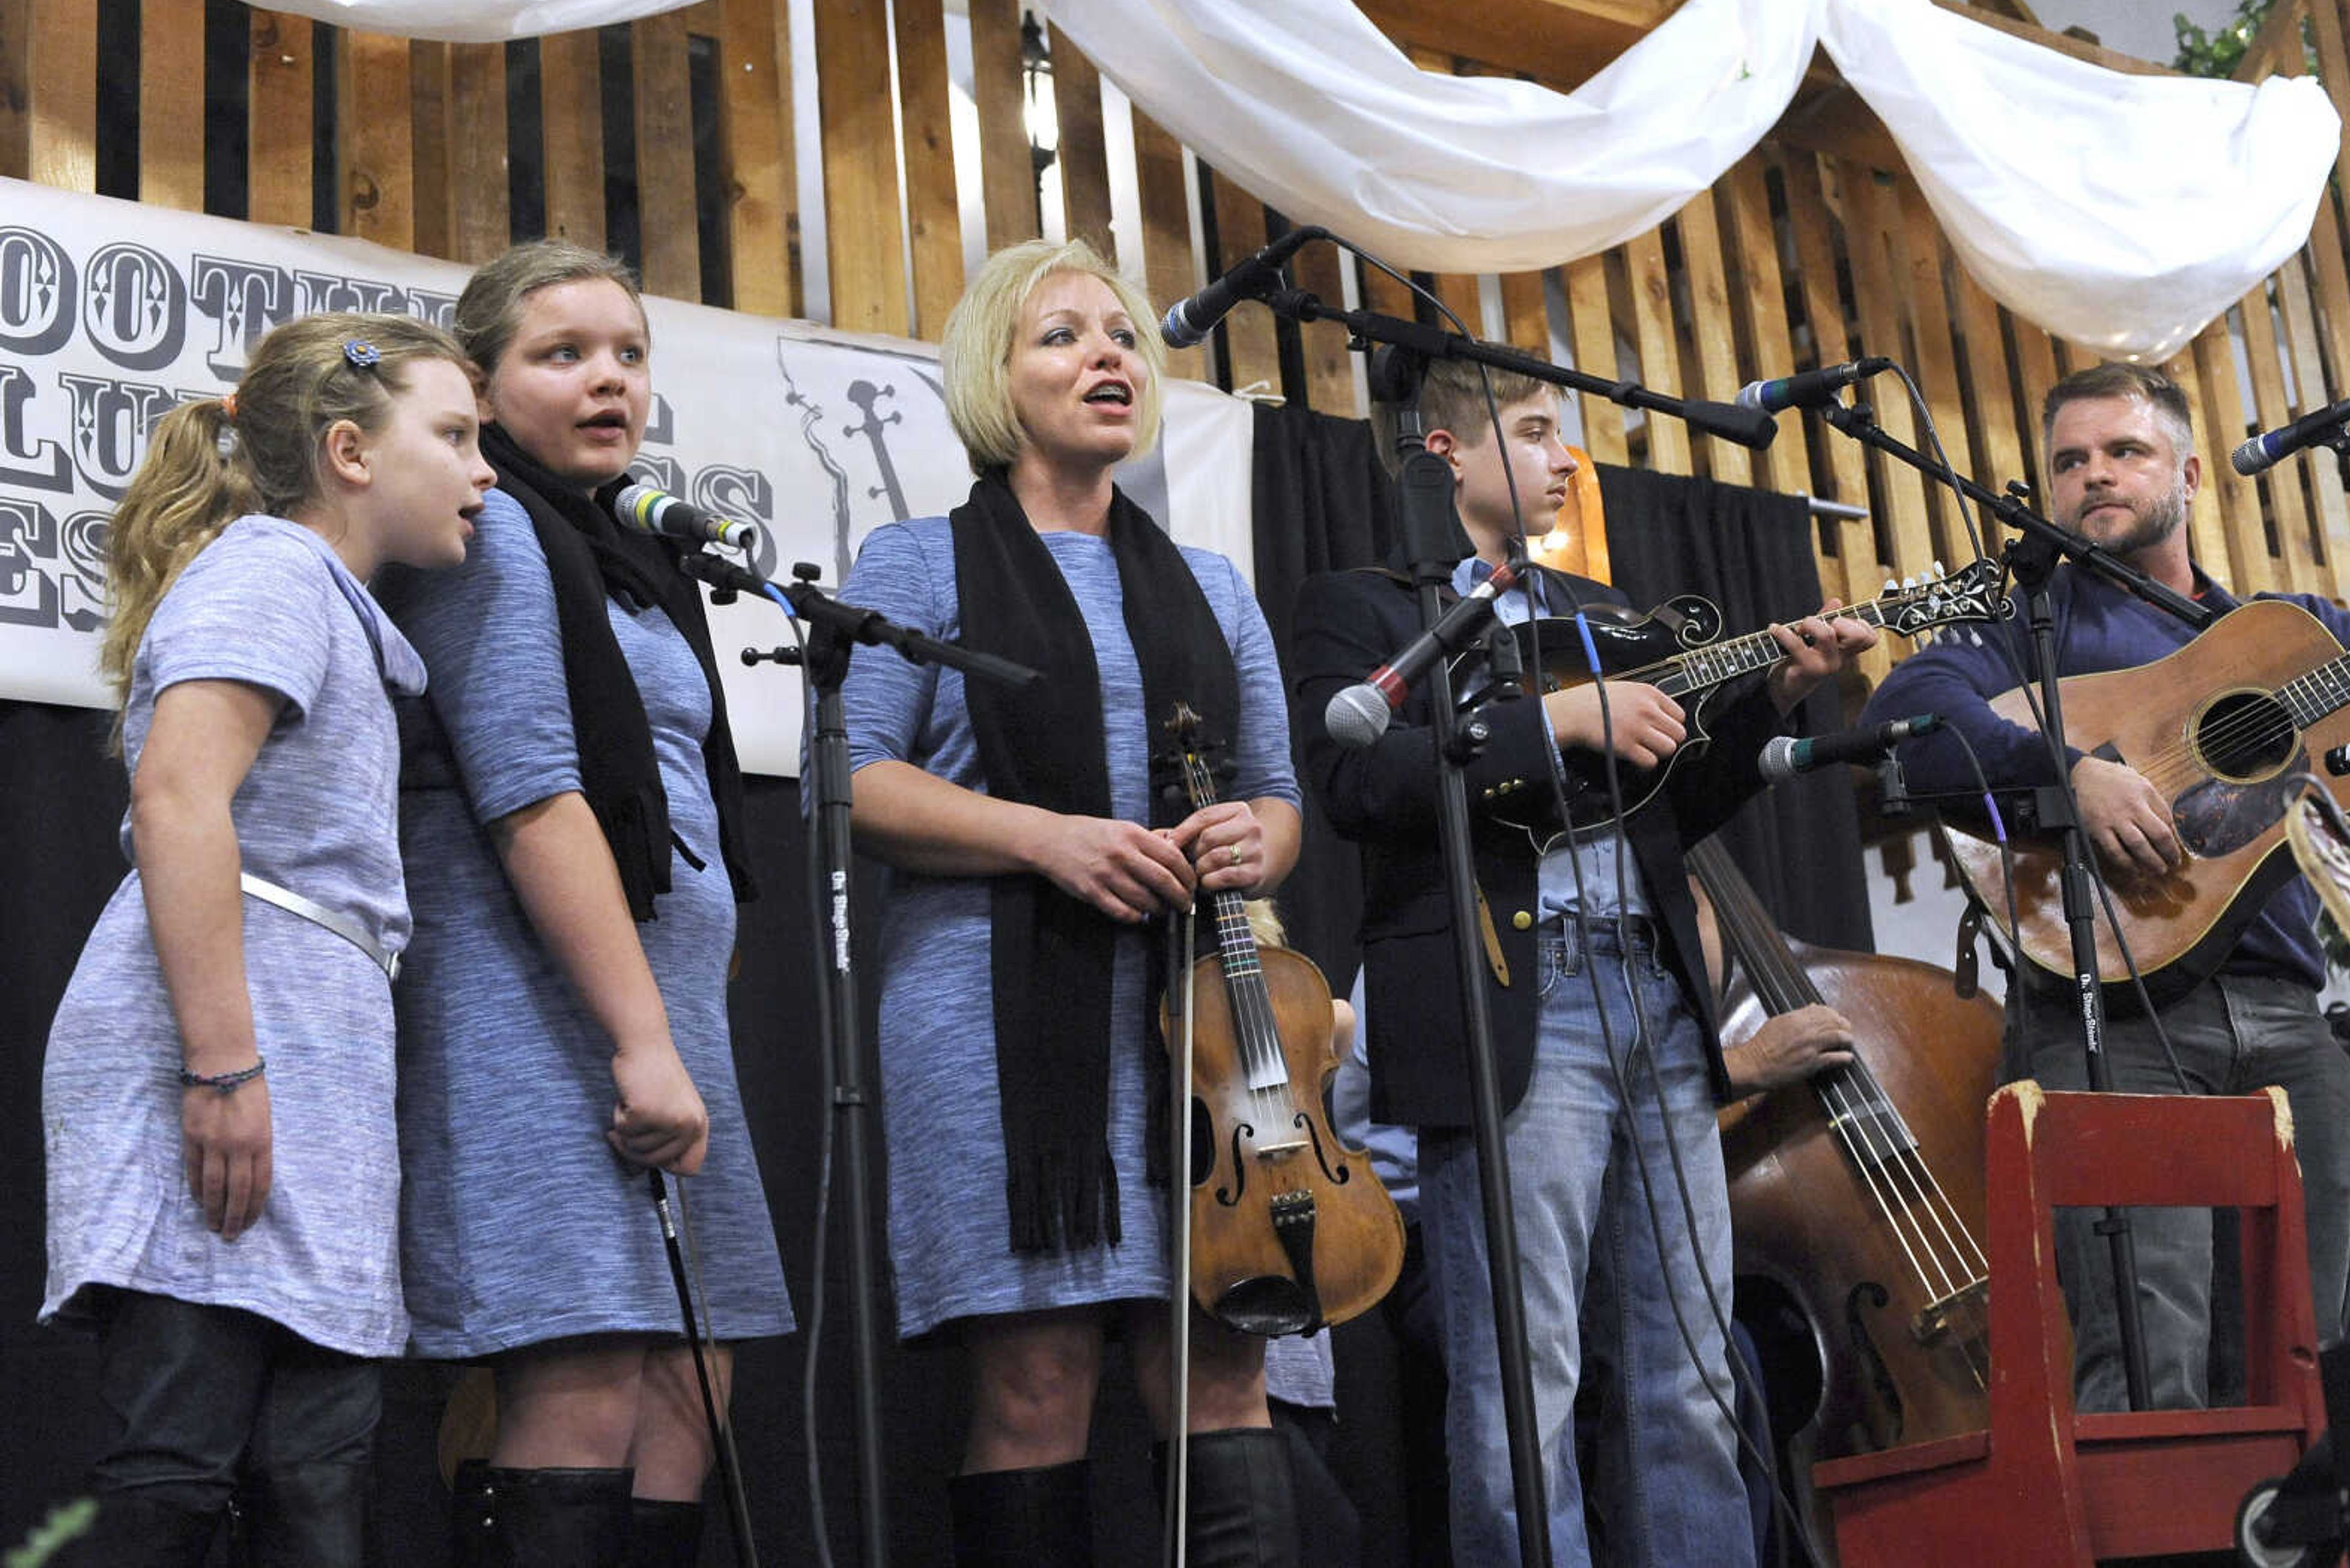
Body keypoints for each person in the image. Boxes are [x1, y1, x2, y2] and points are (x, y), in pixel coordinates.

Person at [1289, 357, 1873, 1567]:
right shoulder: (1371, 606)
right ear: (1447, 449)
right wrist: (1546, 721)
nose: (1566, 456)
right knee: (1526, 1375)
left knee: (1691, 1368)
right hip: (1515, 996)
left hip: (1655, 994)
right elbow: (1356, 777)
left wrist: (1773, 695)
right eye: (1536, 428)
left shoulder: (1608, 615)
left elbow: (1671, 805)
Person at [837, 237, 1305, 1567]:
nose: (1107, 354)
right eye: (1062, 335)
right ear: (995, 376)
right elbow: (856, 783)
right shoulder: (916, 562)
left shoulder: (1214, 586)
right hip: (991, 1021)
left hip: (1207, 1029)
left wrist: (1247, 842)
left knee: (1225, 1372)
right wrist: (1047, 838)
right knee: (1035, 1386)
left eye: (1120, 335)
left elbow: (1280, 800)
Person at [40, 313, 493, 1564]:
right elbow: (179, 797)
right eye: (452, 435)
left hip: (312, 1048)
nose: (483, 469)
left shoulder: (334, 605)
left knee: (316, 1468)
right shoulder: (271, 572)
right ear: (350, 451)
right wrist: (225, 1064)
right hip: (232, 1038)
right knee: (178, 1460)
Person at [379, 240, 794, 1565]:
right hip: (542, 1006)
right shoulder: (492, 531)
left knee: (694, 1373)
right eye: (563, 354)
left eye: (627, 351)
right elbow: (531, 797)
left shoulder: (636, 558)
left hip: (658, 1007)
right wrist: (639, 1037)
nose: (608, 378)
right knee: (584, 1365)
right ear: (486, 392)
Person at [1860, 360, 2350, 1411]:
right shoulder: (2028, 628)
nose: (2096, 475)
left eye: (2124, 451)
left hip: (2291, 1019)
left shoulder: (2295, 634)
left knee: (2310, 1375)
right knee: (2149, 1377)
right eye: (2071, 460)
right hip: (2114, 1014)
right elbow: (1903, 714)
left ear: (2188, 473)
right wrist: (2069, 772)